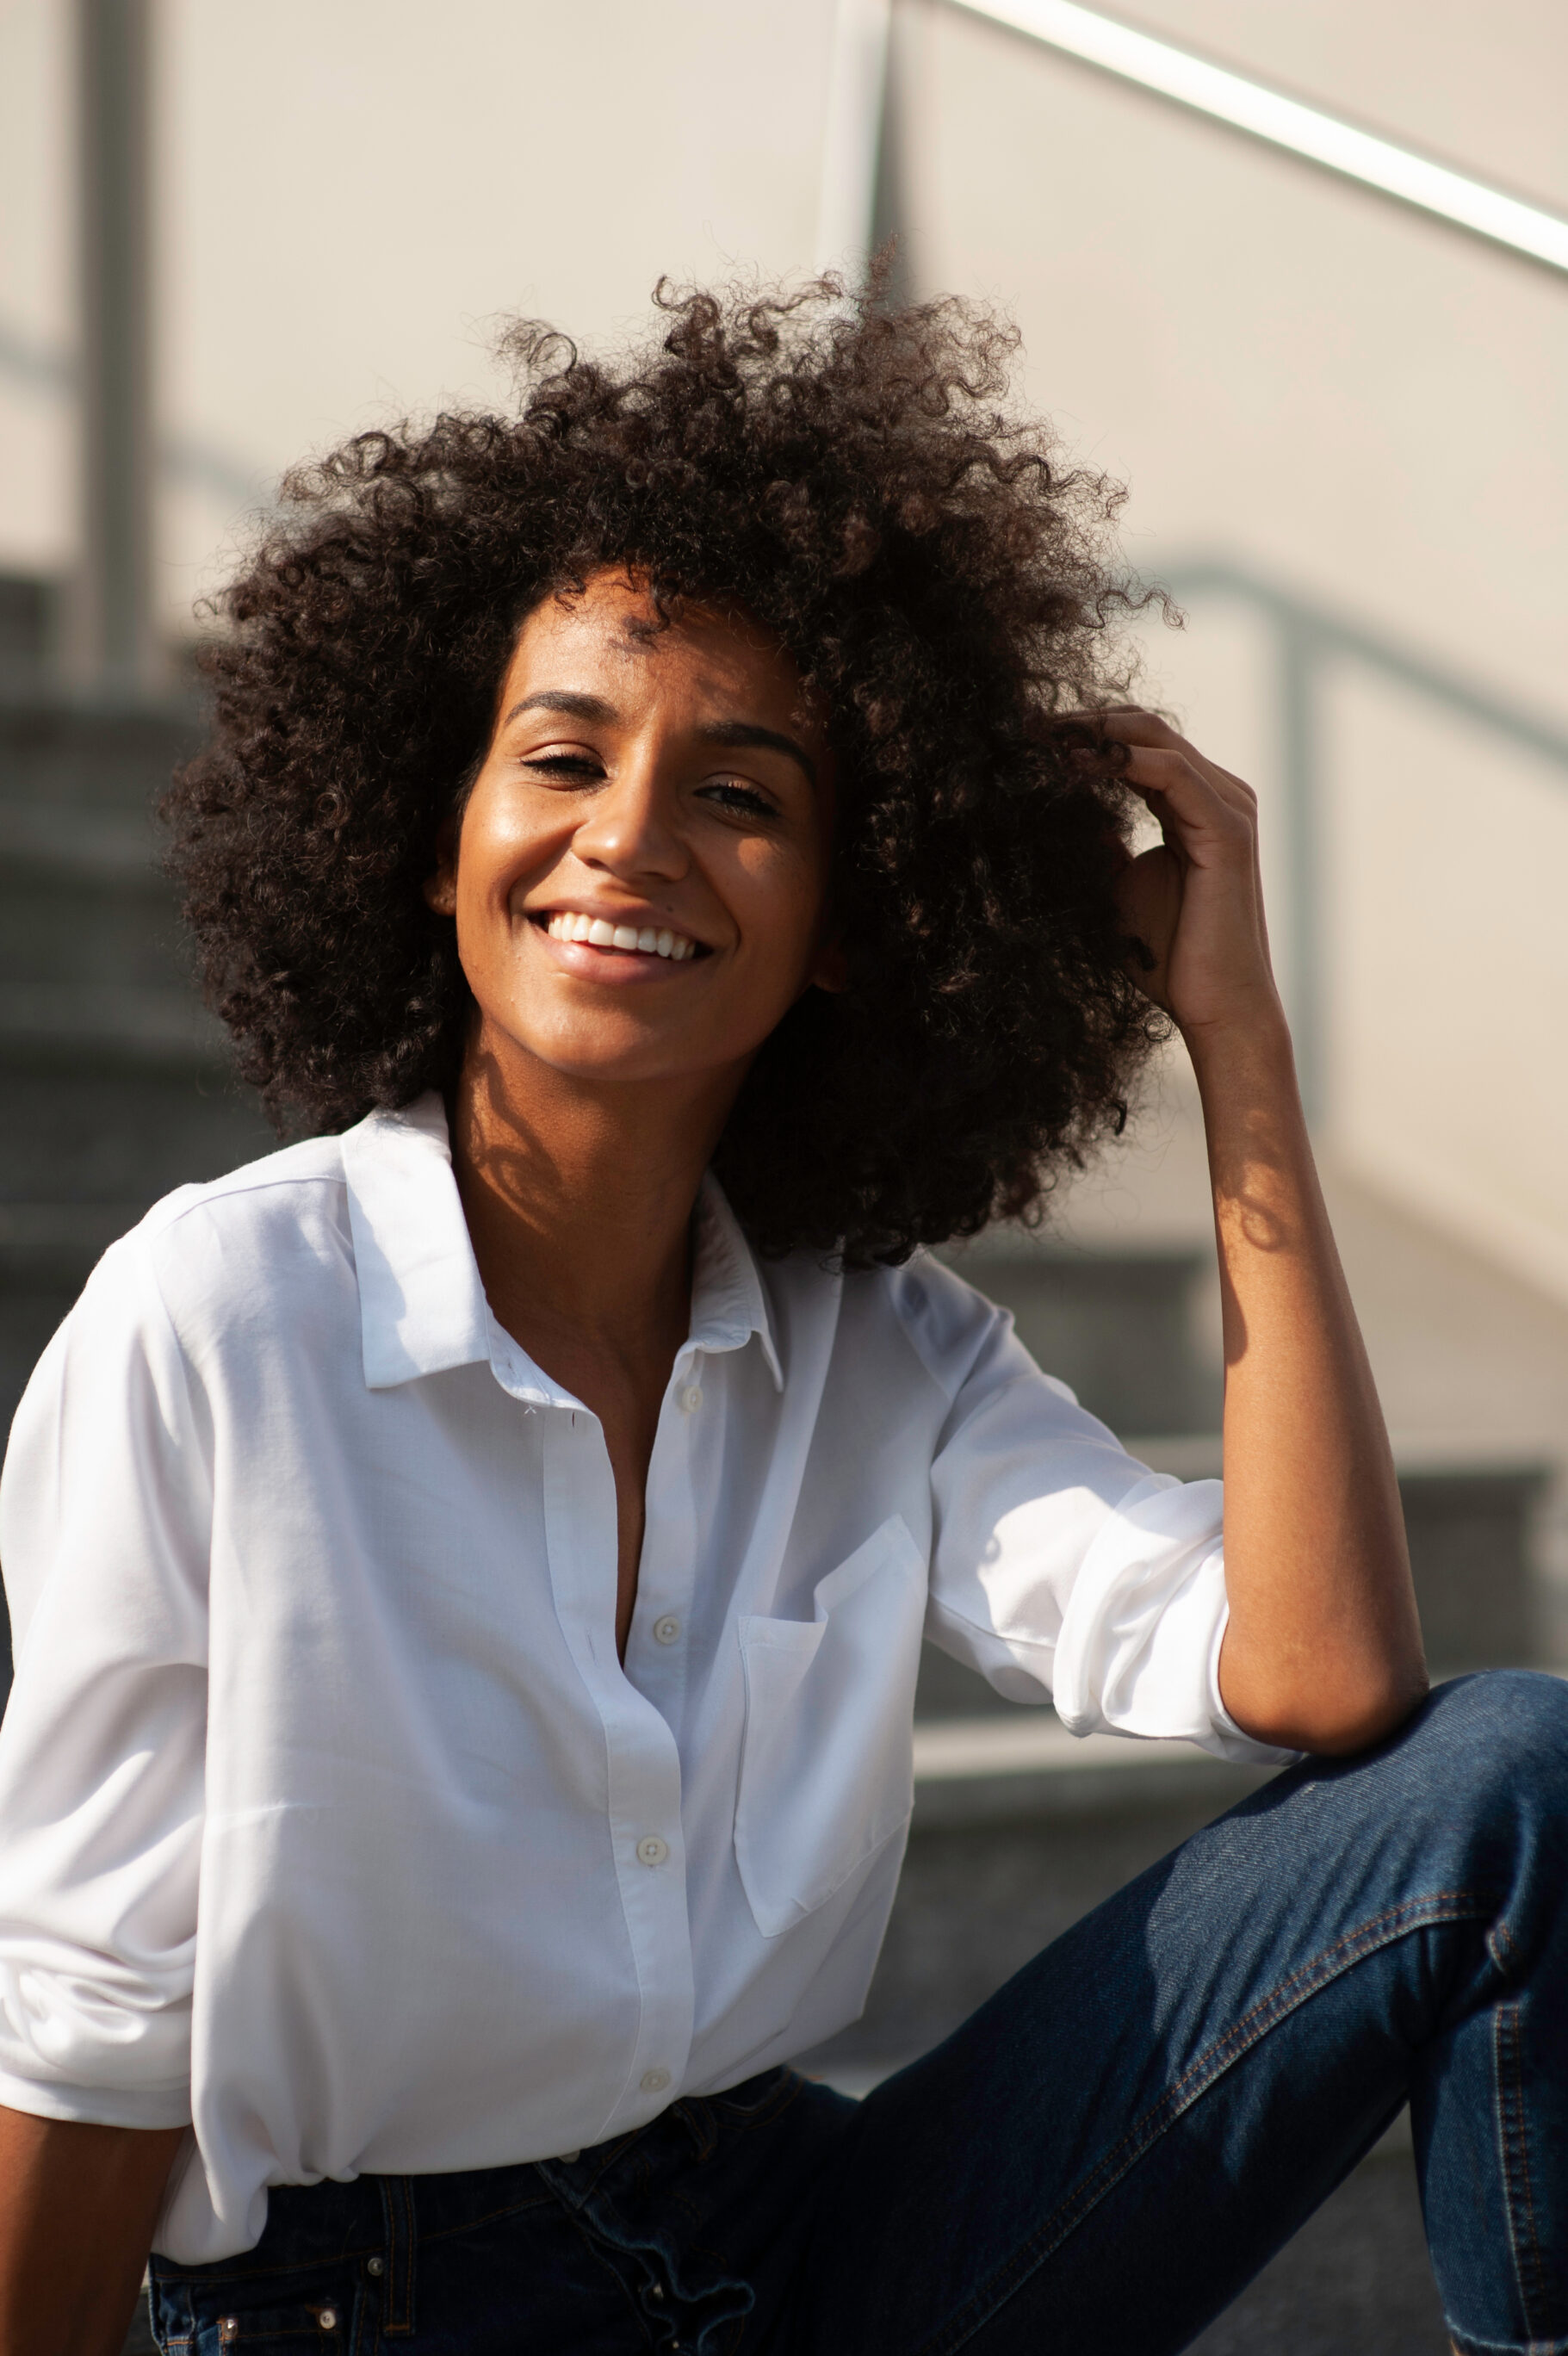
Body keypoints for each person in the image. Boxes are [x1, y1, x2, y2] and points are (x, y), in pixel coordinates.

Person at [0, 279, 1563, 2356]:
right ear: (439, 832)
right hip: (351, 2305)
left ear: (846, 923)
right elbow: (93, 2037)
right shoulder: (220, 1321)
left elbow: (1321, 1673)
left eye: (739, 794)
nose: (626, 836)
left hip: (787, 2234)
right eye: (560, 757)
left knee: (1511, 1772)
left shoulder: (879, 1347)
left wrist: (1233, 1038)